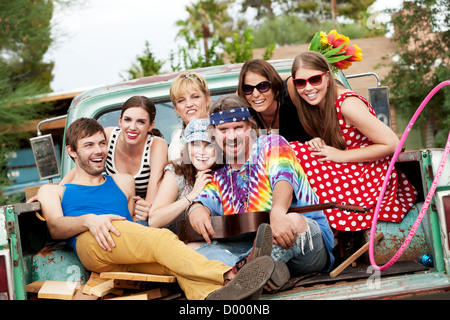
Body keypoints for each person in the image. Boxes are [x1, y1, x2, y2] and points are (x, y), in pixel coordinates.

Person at [36, 117, 277, 300]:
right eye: (88, 145)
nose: (98, 150)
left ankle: (216, 296)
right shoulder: (54, 191)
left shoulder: (122, 181)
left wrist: (142, 211)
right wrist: (89, 220)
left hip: (124, 245)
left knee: (176, 265)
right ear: (71, 151)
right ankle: (231, 274)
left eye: (101, 143)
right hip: (92, 242)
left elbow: (135, 223)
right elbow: (56, 228)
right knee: (162, 239)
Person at [187, 95, 335, 276]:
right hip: (250, 250)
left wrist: (278, 212)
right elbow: (205, 199)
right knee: (192, 248)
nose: (232, 136)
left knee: (293, 221)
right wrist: (196, 208)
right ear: (213, 134)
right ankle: (266, 275)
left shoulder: (272, 144)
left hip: (304, 246)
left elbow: (283, 178)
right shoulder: (219, 172)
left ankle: (238, 276)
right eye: (223, 130)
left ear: (249, 127)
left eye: (238, 128)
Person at [289, 51, 417, 231]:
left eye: (314, 79)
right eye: (300, 82)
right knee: (294, 151)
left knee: (292, 151)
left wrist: (341, 155)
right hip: (352, 170)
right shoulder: (319, 106)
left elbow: (392, 144)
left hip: (372, 175)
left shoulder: (346, 104)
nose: (308, 88)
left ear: (327, 77)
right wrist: (316, 142)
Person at [60, 96, 168, 226]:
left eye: (141, 122)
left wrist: (143, 211)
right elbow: (83, 164)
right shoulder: (110, 136)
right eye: (127, 120)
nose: (132, 127)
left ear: (150, 126)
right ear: (120, 121)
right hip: (111, 206)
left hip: (140, 213)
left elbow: (151, 200)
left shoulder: (156, 145)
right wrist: (58, 191)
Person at [149, 118, 219, 233]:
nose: (201, 152)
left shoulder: (225, 171)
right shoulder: (177, 171)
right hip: (178, 241)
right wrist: (193, 194)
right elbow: (154, 220)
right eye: (195, 145)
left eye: (209, 145)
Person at [237, 59, 312, 142]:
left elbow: (306, 76)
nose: (255, 94)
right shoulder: (243, 106)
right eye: (248, 88)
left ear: (274, 85)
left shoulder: (290, 92)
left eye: (263, 86)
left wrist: (275, 77)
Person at [168, 72, 211, 161]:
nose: (189, 104)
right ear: (176, 108)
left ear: (207, 100)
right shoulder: (176, 143)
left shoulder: (223, 131)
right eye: (181, 100)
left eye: (195, 97)